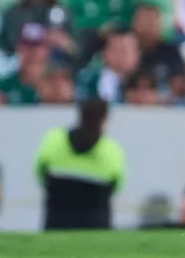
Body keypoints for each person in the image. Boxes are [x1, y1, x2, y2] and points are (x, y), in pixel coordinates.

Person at [35, 98, 126, 229]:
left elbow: (39, 171)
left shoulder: (54, 140)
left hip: (57, 221)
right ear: (104, 119)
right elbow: (117, 184)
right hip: (96, 225)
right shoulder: (111, 150)